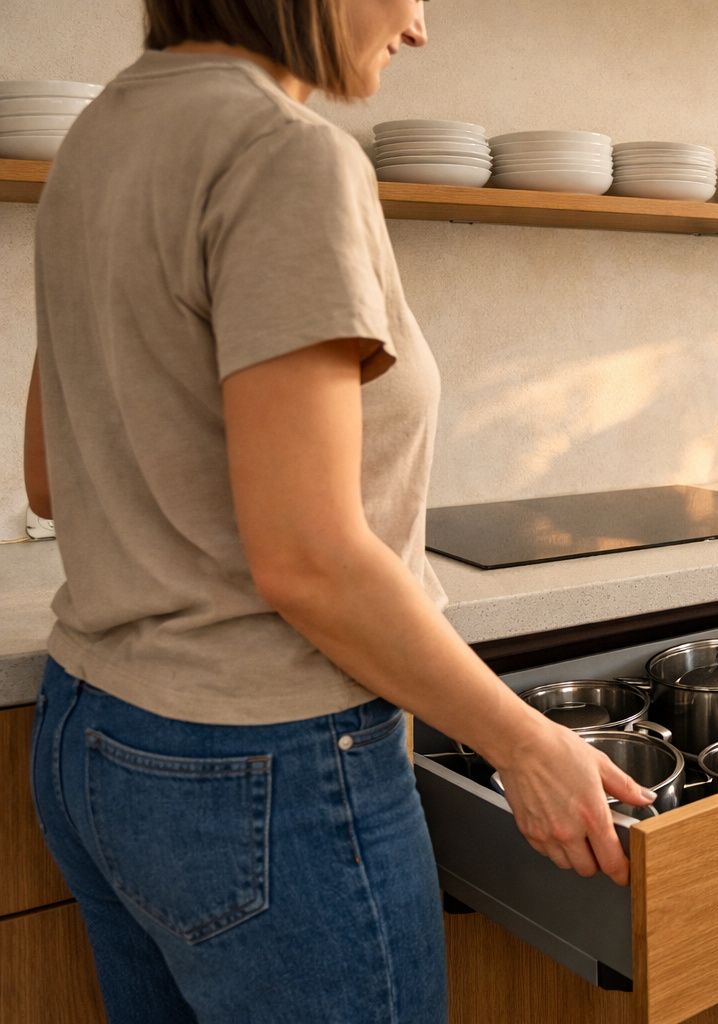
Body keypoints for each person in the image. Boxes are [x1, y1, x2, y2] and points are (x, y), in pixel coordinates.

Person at [23, 2, 650, 1020]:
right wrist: (526, 744)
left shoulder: (100, 134)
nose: (418, 27)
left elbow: (51, 479)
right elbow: (308, 556)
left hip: (93, 735)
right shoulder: (286, 153)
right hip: (263, 766)